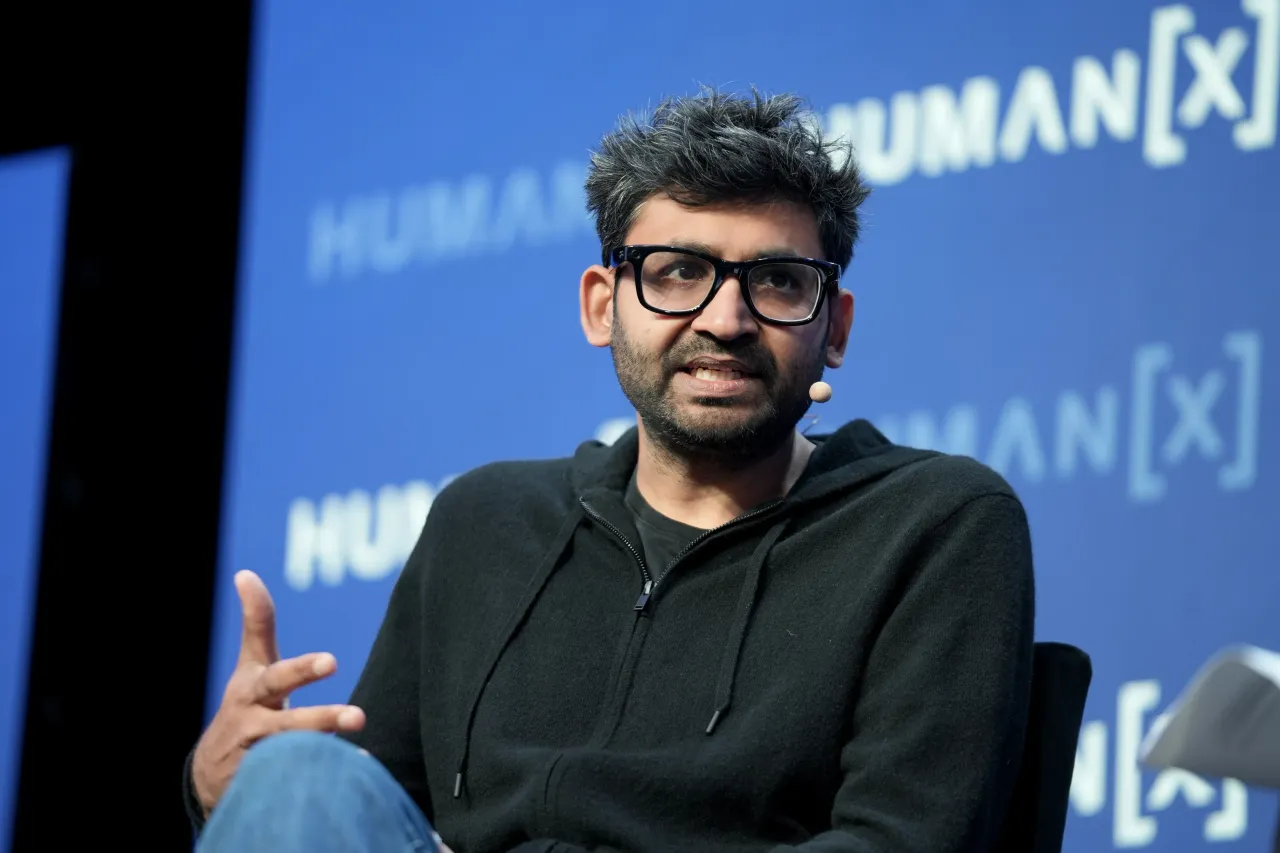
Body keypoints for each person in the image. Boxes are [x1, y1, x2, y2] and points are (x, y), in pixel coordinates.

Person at [183, 87, 1036, 853]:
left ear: (835, 325)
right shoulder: (485, 521)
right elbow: (374, 810)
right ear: (603, 304)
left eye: (777, 281)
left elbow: (902, 840)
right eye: (679, 273)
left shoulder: (933, 521)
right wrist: (222, 787)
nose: (726, 318)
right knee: (299, 781)